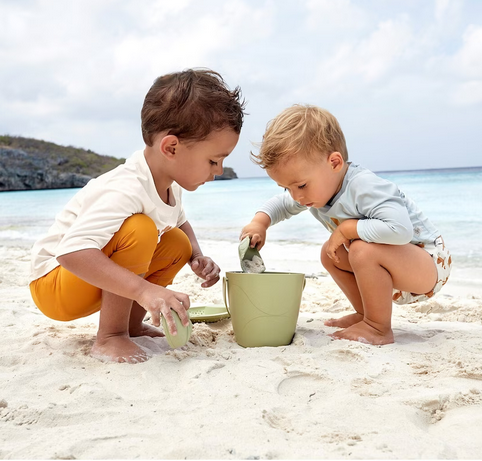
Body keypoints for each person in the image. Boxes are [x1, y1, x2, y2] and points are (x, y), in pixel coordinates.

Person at [29, 69, 246, 363]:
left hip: (87, 279)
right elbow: (71, 252)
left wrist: (196, 255)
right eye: (213, 160)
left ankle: (130, 326)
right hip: (54, 285)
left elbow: (179, 220)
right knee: (140, 229)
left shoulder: (168, 184)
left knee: (176, 242)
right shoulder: (126, 187)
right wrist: (144, 290)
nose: (219, 170)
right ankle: (110, 336)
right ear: (171, 147)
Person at [240, 104, 451, 346]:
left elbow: (401, 230)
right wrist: (260, 222)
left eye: (300, 186)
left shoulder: (363, 186)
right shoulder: (316, 190)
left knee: (360, 248)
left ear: (335, 162)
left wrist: (348, 228)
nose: (295, 196)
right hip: (393, 270)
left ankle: (378, 327)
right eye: (287, 187)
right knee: (330, 253)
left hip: (429, 264)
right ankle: (366, 314)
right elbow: (282, 205)